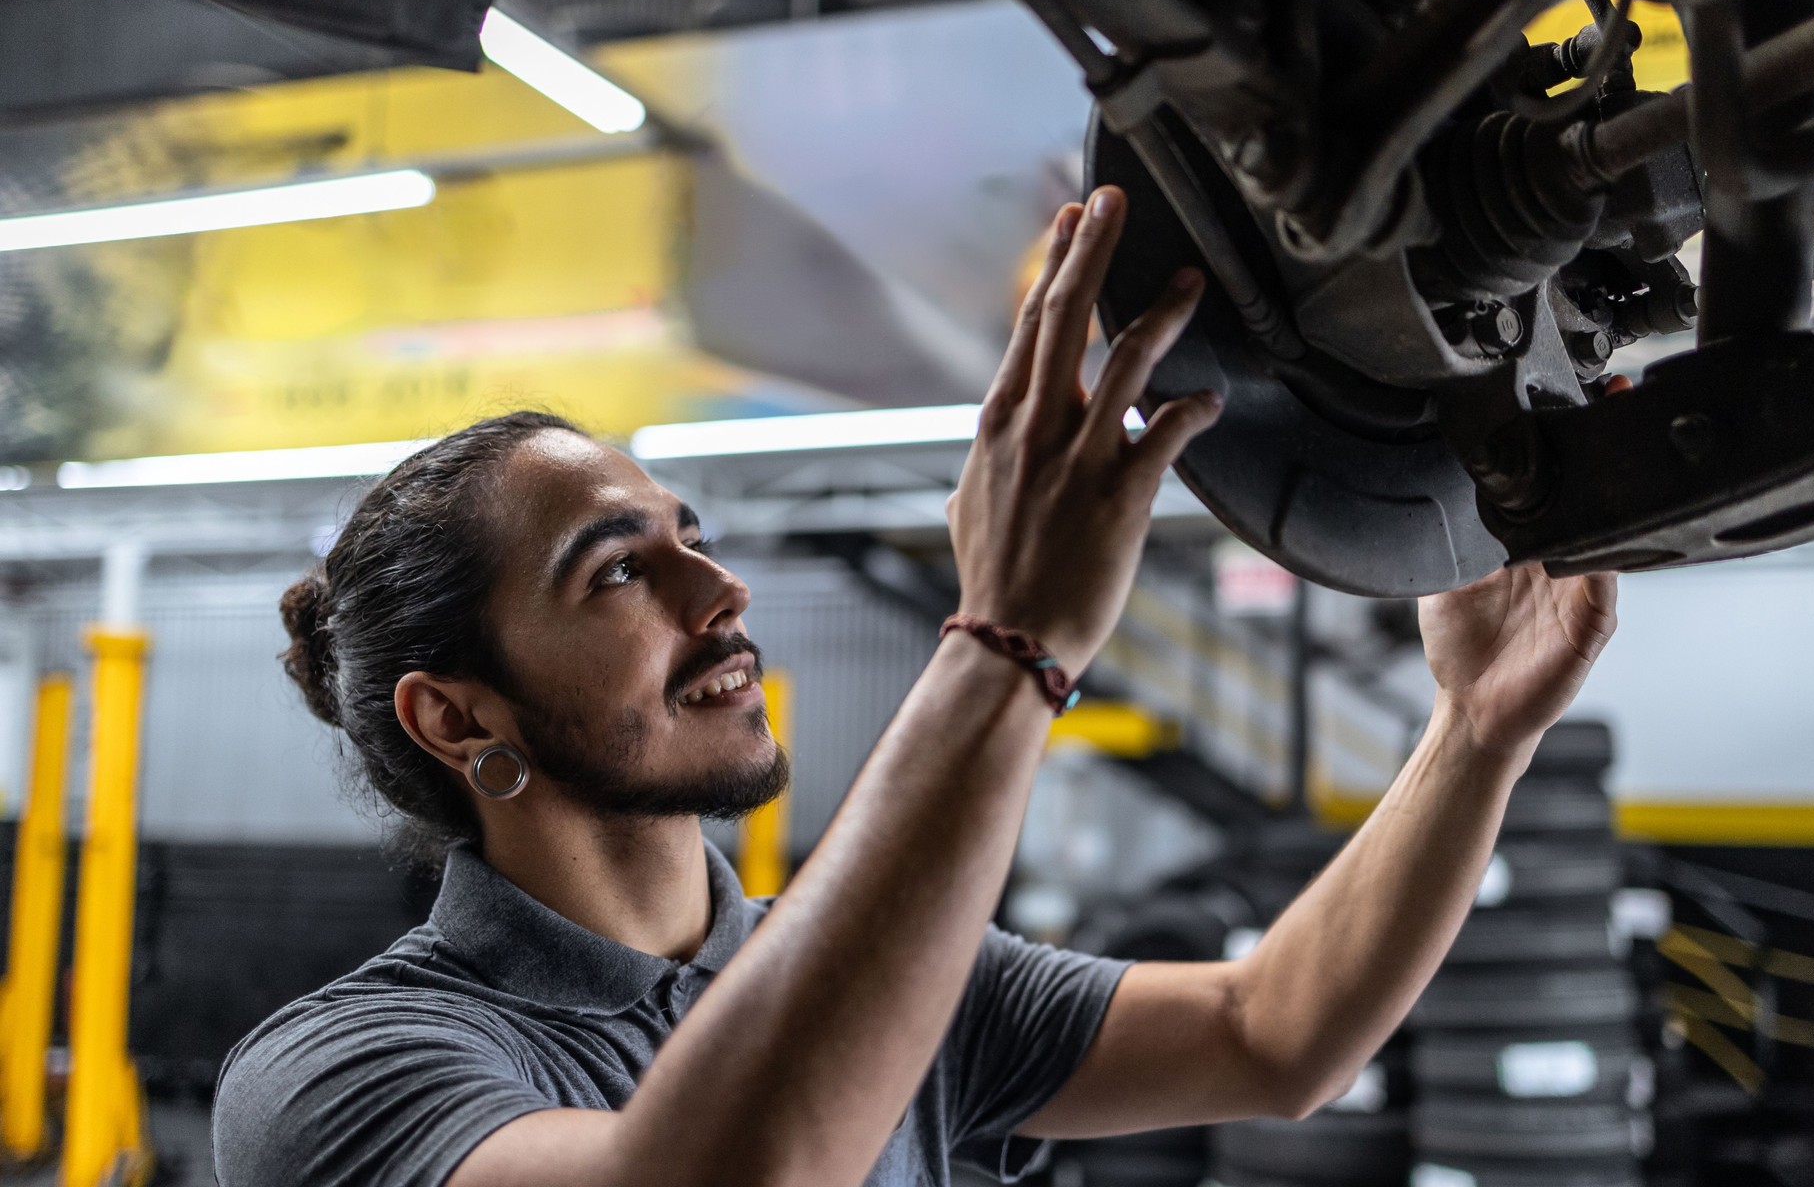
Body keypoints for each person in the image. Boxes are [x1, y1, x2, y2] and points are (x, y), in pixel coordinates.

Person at [211, 187, 1618, 1187]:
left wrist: (1475, 733)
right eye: (615, 572)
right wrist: (1001, 641)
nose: (720, 593)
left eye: (691, 538)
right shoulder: (346, 1071)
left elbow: (1273, 1037)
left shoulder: (896, 975)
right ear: (460, 716)